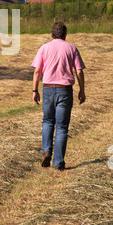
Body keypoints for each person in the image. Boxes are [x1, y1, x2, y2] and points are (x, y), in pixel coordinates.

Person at [31, 22, 86, 171]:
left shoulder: (44, 48)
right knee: (62, 127)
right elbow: (79, 72)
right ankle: (58, 162)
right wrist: (82, 90)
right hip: (65, 90)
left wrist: (35, 91)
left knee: (48, 121)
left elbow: (37, 71)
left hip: (48, 89)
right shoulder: (72, 48)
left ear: (52, 34)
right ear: (65, 34)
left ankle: (47, 151)